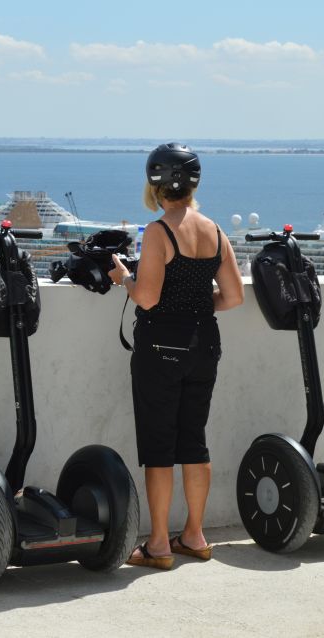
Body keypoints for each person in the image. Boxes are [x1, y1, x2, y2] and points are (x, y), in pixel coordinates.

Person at [109, 142, 244, 569]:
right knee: (194, 441)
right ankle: (196, 535)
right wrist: (197, 305)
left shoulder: (158, 231)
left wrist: (123, 278)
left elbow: (147, 298)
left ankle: (160, 544)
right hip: (204, 345)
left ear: (155, 185)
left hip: (160, 349)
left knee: (159, 446)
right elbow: (234, 296)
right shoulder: (215, 231)